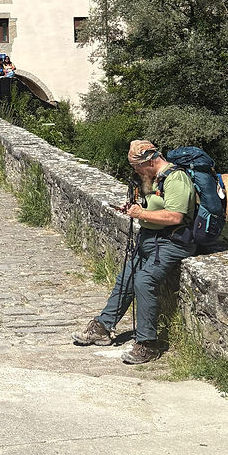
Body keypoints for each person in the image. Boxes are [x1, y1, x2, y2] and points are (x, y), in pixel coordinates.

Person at [73, 140, 195, 364]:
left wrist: (141, 215)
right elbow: (153, 206)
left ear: (150, 161)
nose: (136, 171)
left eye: (137, 167)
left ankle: (148, 343)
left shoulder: (176, 179)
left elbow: (175, 216)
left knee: (144, 281)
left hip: (172, 242)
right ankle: (103, 326)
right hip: (150, 239)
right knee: (126, 278)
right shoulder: (153, 178)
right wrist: (133, 209)